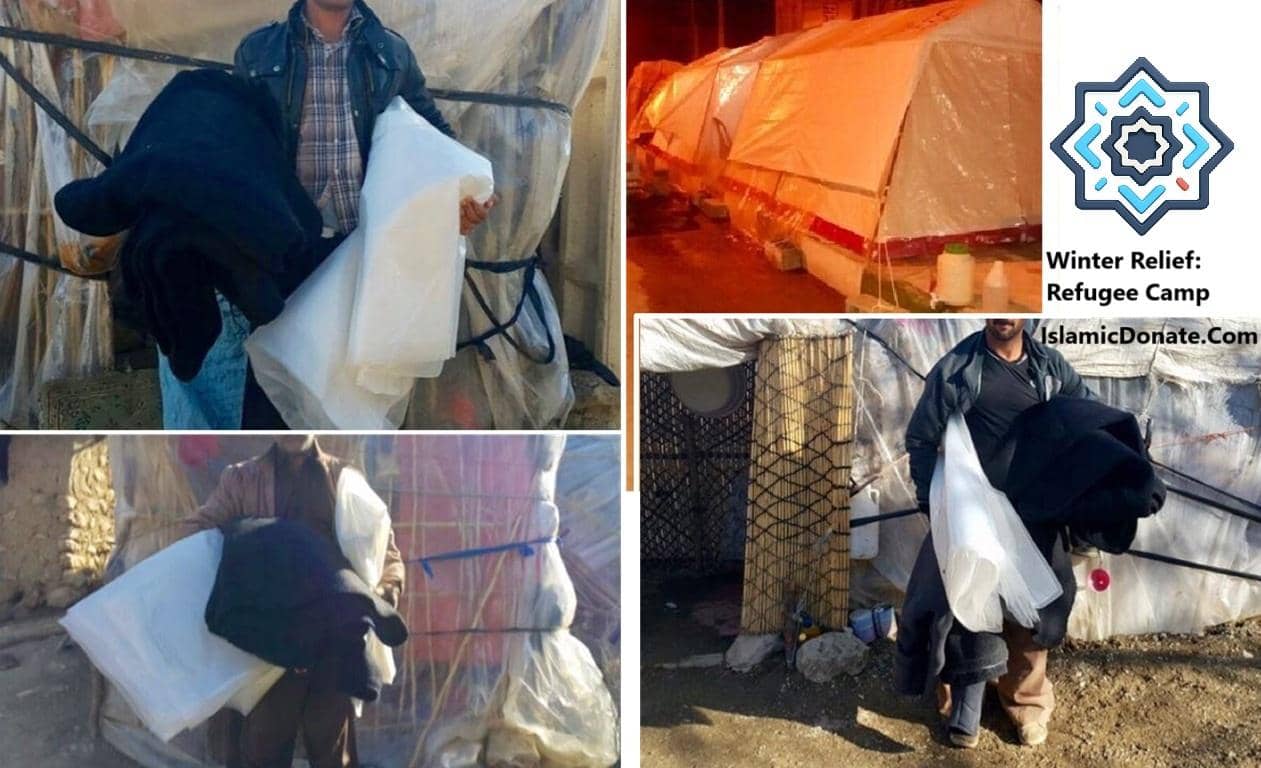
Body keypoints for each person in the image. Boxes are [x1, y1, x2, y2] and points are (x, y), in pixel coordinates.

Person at [160, 0, 496, 429]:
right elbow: (240, 144)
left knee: (355, 397)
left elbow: (433, 135)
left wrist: (462, 196)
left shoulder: (390, 54)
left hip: (360, 254)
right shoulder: (260, 53)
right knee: (274, 391)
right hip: (285, 249)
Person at [903, 318, 1092, 749]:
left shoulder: (1049, 367)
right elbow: (921, 438)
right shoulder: (957, 368)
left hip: (1034, 511)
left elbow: (1087, 414)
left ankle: (1026, 705)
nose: (1004, 315)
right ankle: (961, 707)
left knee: (1036, 611)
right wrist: (936, 506)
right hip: (974, 513)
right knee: (968, 607)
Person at [184, 435, 403, 768]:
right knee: (264, 750)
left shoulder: (343, 479)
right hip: (271, 648)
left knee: (333, 753)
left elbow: (386, 550)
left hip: (332, 644)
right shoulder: (243, 479)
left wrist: (381, 596)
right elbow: (200, 530)